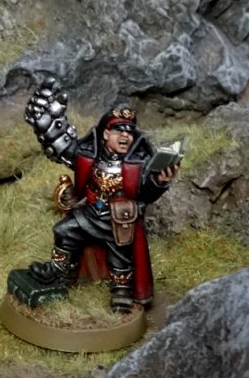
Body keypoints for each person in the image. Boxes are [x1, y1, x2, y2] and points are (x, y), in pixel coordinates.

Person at [23, 78, 179, 312]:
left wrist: (160, 181)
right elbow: (63, 147)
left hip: (119, 219)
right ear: (106, 133)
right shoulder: (90, 153)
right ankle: (59, 270)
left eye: (129, 131)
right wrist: (47, 122)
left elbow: (146, 194)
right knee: (64, 230)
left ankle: (121, 290)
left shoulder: (140, 163)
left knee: (121, 254)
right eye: (118, 130)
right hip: (89, 213)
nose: (125, 135)